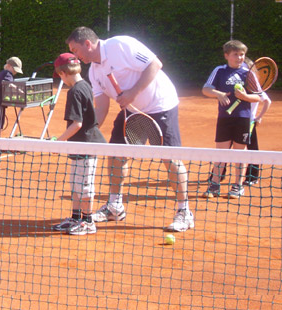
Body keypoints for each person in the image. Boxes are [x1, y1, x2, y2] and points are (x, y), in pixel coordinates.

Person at [65, 26, 194, 233]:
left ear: (87, 44)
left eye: (75, 50)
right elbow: (102, 108)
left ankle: (184, 212)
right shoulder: (94, 72)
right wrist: (87, 133)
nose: (75, 56)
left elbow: (155, 64)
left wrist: (132, 93)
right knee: (116, 155)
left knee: (170, 159)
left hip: (161, 105)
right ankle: (115, 207)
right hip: (133, 113)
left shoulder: (120, 45)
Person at [51, 53, 106, 235]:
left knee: (84, 186)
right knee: (76, 183)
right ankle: (76, 217)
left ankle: (88, 221)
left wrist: (59, 142)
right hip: (80, 144)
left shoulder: (74, 91)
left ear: (62, 74)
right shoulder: (85, 85)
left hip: (86, 144)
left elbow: (77, 123)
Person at [202, 43, 263, 198]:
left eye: (242, 54)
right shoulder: (220, 71)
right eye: (235, 54)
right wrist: (218, 94)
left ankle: (237, 186)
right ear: (226, 55)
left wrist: (246, 97)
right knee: (220, 153)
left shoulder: (248, 73)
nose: (240, 58)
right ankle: (214, 185)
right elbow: (205, 89)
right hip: (224, 118)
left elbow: (259, 96)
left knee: (239, 153)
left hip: (242, 118)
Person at [0, 56, 22, 137]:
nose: (15, 72)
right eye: (15, 69)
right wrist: (20, 91)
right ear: (9, 66)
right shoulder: (8, 74)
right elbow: (11, 85)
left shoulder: (1, 73)